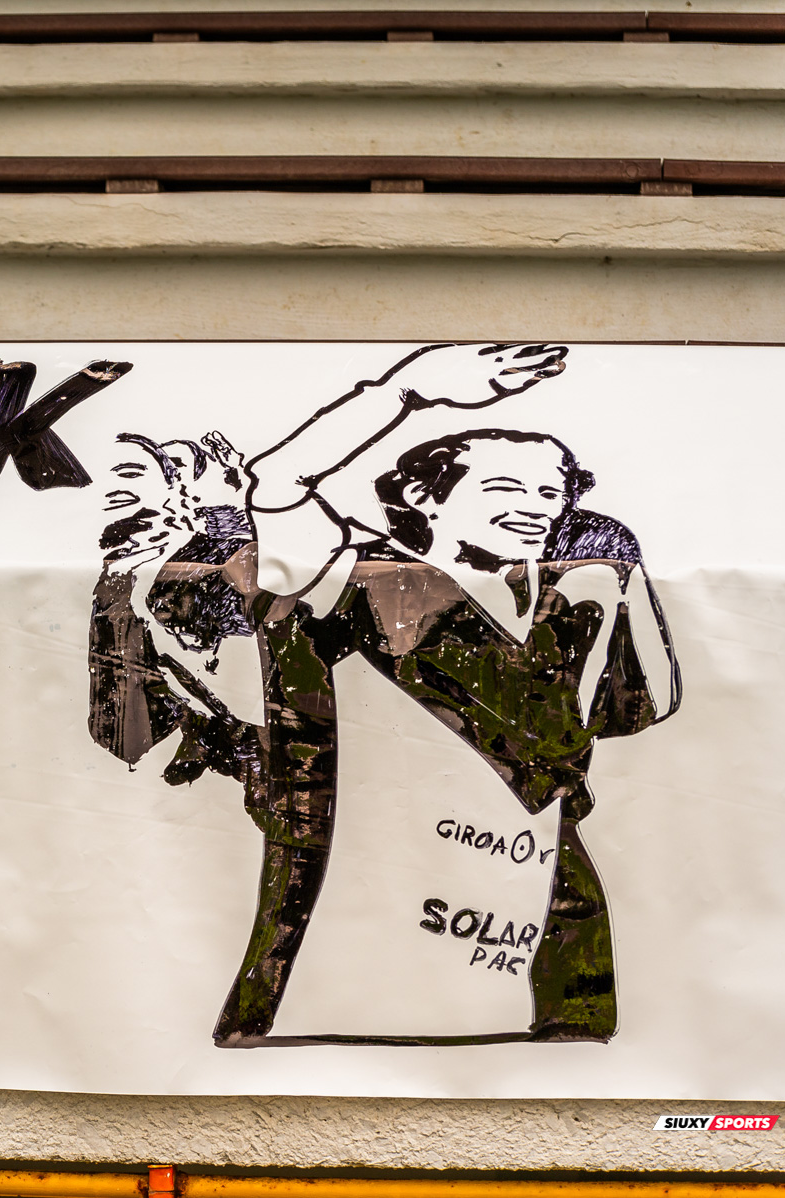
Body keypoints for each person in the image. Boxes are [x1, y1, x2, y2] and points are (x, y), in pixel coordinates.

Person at [89, 343, 680, 1046]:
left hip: (540, 898)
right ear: (427, 496)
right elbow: (280, 484)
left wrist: (625, 584)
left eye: (551, 492)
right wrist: (408, 391)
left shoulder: (580, 596)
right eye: (506, 488)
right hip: (359, 889)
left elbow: (649, 703)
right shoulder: (356, 581)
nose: (535, 506)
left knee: (562, 1052)